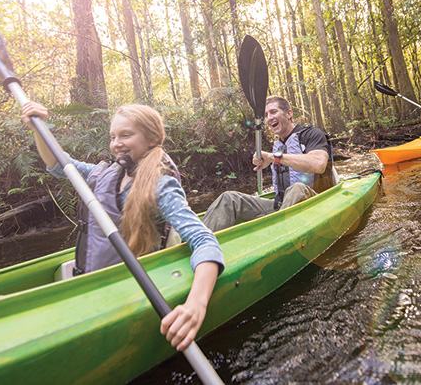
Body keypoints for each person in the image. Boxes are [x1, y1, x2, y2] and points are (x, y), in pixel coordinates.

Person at [21, 101, 224, 352]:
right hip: (97, 281)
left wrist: (196, 305)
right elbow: (61, 166)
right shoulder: (108, 172)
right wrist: (37, 128)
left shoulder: (161, 186)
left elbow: (204, 240)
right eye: (113, 136)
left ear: (151, 139)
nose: (116, 143)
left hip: (131, 287)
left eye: (126, 135)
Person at [202, 95, 338, 232]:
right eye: (266, 115)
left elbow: (318, 164)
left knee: (297, 188)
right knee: (229, 199)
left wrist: (274, 157)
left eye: (273, 112)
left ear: (289, 113)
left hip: (316, 203)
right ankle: (198, 242)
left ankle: (279, 235)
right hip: (282, 207)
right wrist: (267, 160)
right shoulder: (278, 145)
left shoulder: (312, 134)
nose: (269, 118)